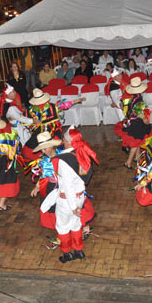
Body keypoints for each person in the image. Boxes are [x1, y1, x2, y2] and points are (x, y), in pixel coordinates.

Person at [30, 131, 97, 242]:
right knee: (56, 211)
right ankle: (63, 234)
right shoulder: (43, 159)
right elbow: (43, 174)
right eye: (41, 149)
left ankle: (84, 229)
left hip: (67, 187)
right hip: (52, 187)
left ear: (52, 145)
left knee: (79, 207)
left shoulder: (65, 154)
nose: (43, 151)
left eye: (45, 148)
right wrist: (37, 186)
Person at [46, 126, 99, 263]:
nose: (62, 140)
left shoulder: (63, 160)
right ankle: (78, 250)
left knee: (63, 227)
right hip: (80, 196)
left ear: (68, 141)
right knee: (76, 225)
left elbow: (68, 186)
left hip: (68, 200)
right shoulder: (81, 154)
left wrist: (73, 206)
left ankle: (67, 253)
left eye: (64, 139)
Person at [22, 88, 84, 161]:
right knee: (51, 146)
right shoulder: (51, 107)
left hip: (49, 131)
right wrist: (75, 101)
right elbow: (64, 105)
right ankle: (51, 161)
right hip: (48, 131)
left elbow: (24, 122)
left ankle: (52, 161)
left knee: (48, 146)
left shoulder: (30, 110)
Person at [114, 77, 152, 169]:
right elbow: (139, 113)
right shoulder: (139, 98)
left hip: (130, 121)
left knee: (138, 141)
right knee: (136, 143)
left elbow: (123, 107)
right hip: (137, 122)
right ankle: (128, 162)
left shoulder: (129, 97)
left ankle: (137, 158)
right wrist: (145, 119)